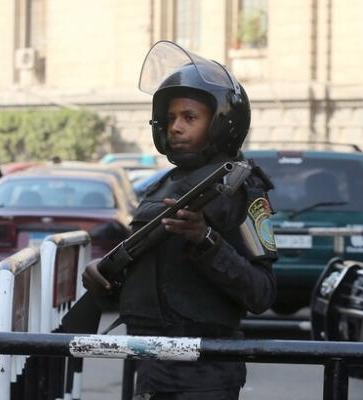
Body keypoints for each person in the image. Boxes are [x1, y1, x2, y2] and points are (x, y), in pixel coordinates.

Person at [83, 41, 277, 400]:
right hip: (150, 365)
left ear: (221, 122)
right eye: (171, 118)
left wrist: (206, 240)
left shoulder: (241, 189)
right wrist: (105, 275)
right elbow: (154, 276)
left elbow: (261, 292)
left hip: (203, 373)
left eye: (189, 117)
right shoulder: (162, 186)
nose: (175, 127)